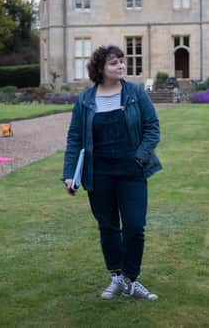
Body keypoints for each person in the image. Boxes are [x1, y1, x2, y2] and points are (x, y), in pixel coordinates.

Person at [62, 45, 162, 300]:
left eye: (121, 61)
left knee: (135, 226)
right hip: (99, 173)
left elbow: (152, 128)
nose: (121, 66)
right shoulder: (85, 100)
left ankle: (132, 279)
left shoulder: (135, 93)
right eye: (114, 63)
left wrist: (140, 157)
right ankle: (117, 278)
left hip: (132, 171)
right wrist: (69, 174)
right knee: (107, 227)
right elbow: (75, 138)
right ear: (100, 69)